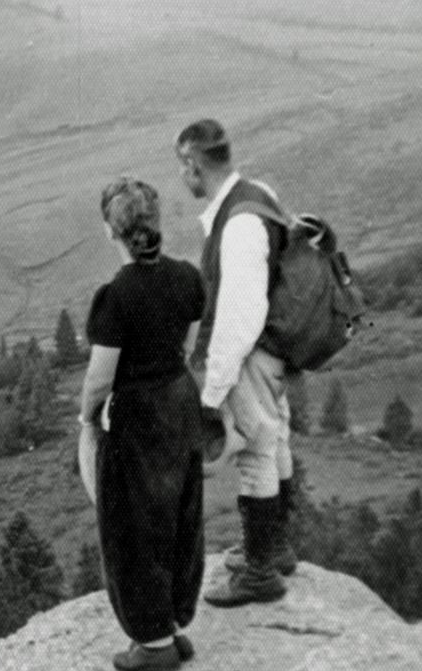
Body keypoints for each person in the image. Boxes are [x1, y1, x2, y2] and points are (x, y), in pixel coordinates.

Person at [79, 176, 206, 671]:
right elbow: (187, 348)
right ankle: (174, 625)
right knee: (179, 514)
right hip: (179, 402)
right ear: (156, 224)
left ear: (112, 232)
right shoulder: (188, 278)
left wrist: (88, 418)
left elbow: (99, 380)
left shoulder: (117, 296)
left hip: (139, 417)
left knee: (134, 524)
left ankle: (153, 644)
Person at [174, 119, 297, 607]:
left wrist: (214, 391)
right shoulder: (257, 193)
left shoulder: (238, 224)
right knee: (276, 436)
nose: (182, 180)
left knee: (255, 452)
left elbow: (238, 318)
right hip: (276, 351)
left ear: (193, 164)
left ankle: (260, 572)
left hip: (253, 354)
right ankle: (277, 549)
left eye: (182, 169)